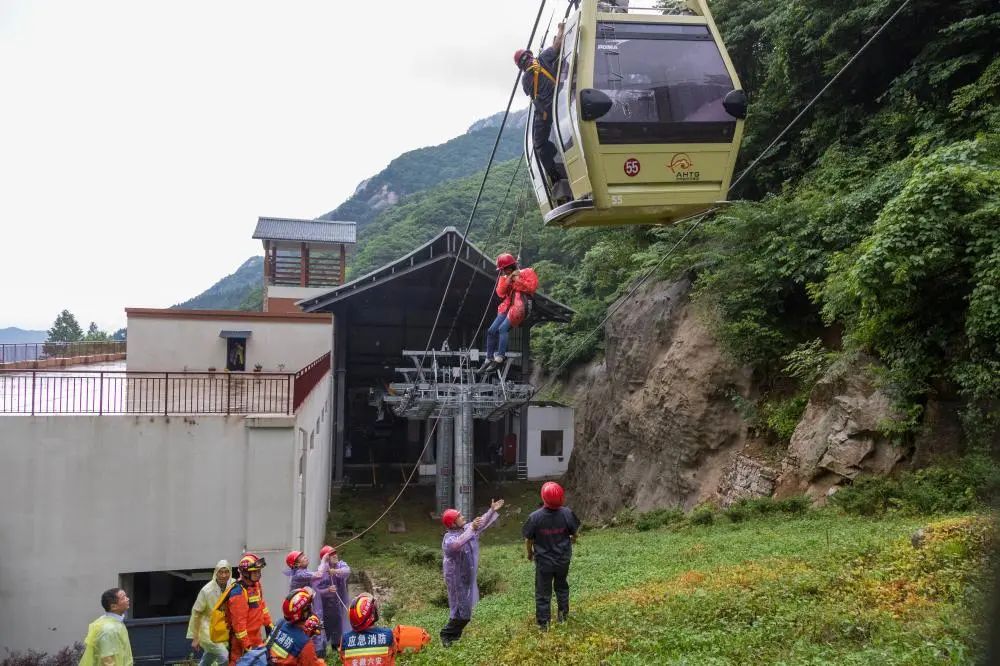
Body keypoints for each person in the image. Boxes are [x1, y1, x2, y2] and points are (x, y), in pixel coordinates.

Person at [439, 498, 505, 646]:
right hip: (455, 579)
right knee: (461, 610)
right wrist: (472, 528)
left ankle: (453, 637)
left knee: (465, 610)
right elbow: (458, 543)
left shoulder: (466, 529)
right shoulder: (449, 540)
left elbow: (481, 523)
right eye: (459, 516)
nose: (463, 517)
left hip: (466, 577)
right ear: (452, 523)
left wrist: (491, 510)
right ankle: (446, 634)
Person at [515, 24, 567, 190]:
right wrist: (561, 29)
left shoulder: (525, 80)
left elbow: (530, 93)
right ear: (530, 55)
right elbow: (558, 45)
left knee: (539, 144)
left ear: (521, 66)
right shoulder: (543, 58)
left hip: (544, 113)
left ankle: (556, 177)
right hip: (559, 102)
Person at [522, 481, 581, 629]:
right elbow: (575, 534)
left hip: (544, 562)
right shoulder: (567, 513)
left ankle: (544, 625)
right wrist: (572, 540)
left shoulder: (535, 517)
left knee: (543, 592)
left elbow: (528, 540)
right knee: (562, 587)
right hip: (563, 560)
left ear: (543, 497)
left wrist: (529, 554)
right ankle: (563, 617)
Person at [339, 593, 430, 665]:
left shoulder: (345, 639)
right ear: (373, 614)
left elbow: (343, 659)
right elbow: (395, 652)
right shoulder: (388, 635)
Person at [481, 253, 536, 370]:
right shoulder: (505, 277)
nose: (503, 272)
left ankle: (501, 356)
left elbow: (531, 287)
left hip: (519, 306)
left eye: (504, 269)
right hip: (507, 307)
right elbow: (500, 292)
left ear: (510, 267)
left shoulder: (527, 272)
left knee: (503, 328)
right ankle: (489, 358)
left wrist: (517, 279)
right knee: (491, 331)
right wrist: (509, 279)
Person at [226, 553, 274, 666]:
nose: (258, 574)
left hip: (256, 637)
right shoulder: (238, 592)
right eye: (255, 571)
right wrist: (248, 647)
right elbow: (239, 626)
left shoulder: (256, 585)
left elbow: (262, 606)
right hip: (241, 644)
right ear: (245, 573)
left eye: (259, 571)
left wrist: (269, 625)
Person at [188, 560, 232, 666]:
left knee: (209, 656)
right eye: (220, 572)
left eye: (226, 572)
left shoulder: (233, 586)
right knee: (226, 658)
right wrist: (195, 637)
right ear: (215, 573)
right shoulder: (206, 590)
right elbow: (196, 613)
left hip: (222, 629)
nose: (223, 575)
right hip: (207, 630)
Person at [267, 588, 325, 666]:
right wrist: (322, 662)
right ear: (305, 611)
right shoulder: (305, 644)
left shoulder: (279, 623)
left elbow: (293, 638)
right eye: (309, 606)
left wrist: (306, 632)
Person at [80, 588, 133, 666]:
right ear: (114, 606)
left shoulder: (115, 623)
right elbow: (108, 661)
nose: (128, 599)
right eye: (123, 598)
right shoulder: (108, 629)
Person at [315, 545, 351, 654]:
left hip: (339, 605)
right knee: (324, 631)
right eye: (331, 554)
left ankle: (338, 652)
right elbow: (316, 591)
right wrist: (328, 590)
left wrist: (335, 571)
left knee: (340, 629)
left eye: (335, 553)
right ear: (326, 558)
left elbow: (347, 571)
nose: (335, 555)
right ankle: (323, 653)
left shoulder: (341, 565)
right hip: (326, 608)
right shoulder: (321, 571)